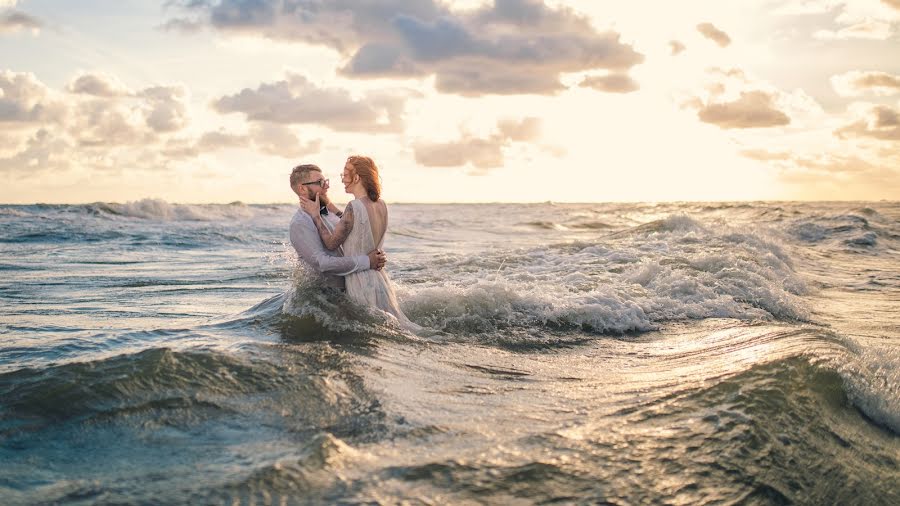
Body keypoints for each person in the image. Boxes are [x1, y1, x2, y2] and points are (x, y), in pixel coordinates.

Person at [299, 156, 422, 333]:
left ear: (357, 178)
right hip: (380, 279)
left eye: (345, 174)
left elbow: (331, 243)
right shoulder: (381, 204)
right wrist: (330, 205)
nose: (342, 179)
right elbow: (354, 224)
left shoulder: (353, 207)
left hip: (360, 281)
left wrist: (315, 215)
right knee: (396, 328)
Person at [289, 164, 386, 291]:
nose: (327, 186)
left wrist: (377, 253)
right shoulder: (300, 223)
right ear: (302, 189)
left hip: (354, 287)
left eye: (325, 181)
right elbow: (322, 263)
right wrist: (367, 261)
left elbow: (354, 230)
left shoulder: (330, 213)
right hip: (328, 296)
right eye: (321, 182)